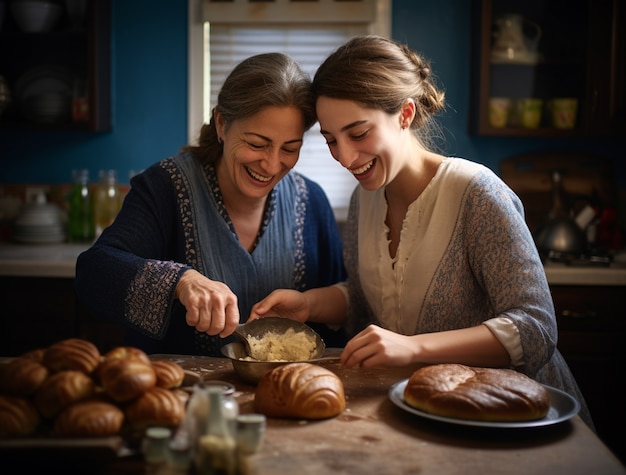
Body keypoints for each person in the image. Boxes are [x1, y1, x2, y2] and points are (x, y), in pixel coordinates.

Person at [249, 36, 594, 428]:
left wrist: (413, 349)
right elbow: (373, 299)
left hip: (520, 418)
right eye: (331, 140)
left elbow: (535, 329)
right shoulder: (365, 199)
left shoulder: (477, 193)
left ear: (405, 114)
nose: (344, 157)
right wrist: (309, 305)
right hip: (431, 413)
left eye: (358, 133)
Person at [75, 52, 346, 356]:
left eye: (290, 148)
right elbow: (92, 274)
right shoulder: (165, 187)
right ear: (221, 123)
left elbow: (344, 310)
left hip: (287, 395)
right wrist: (180, 280)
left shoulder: (312, 202)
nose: (271, 165)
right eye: (257, 144)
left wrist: (311, 306)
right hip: (183, 395)